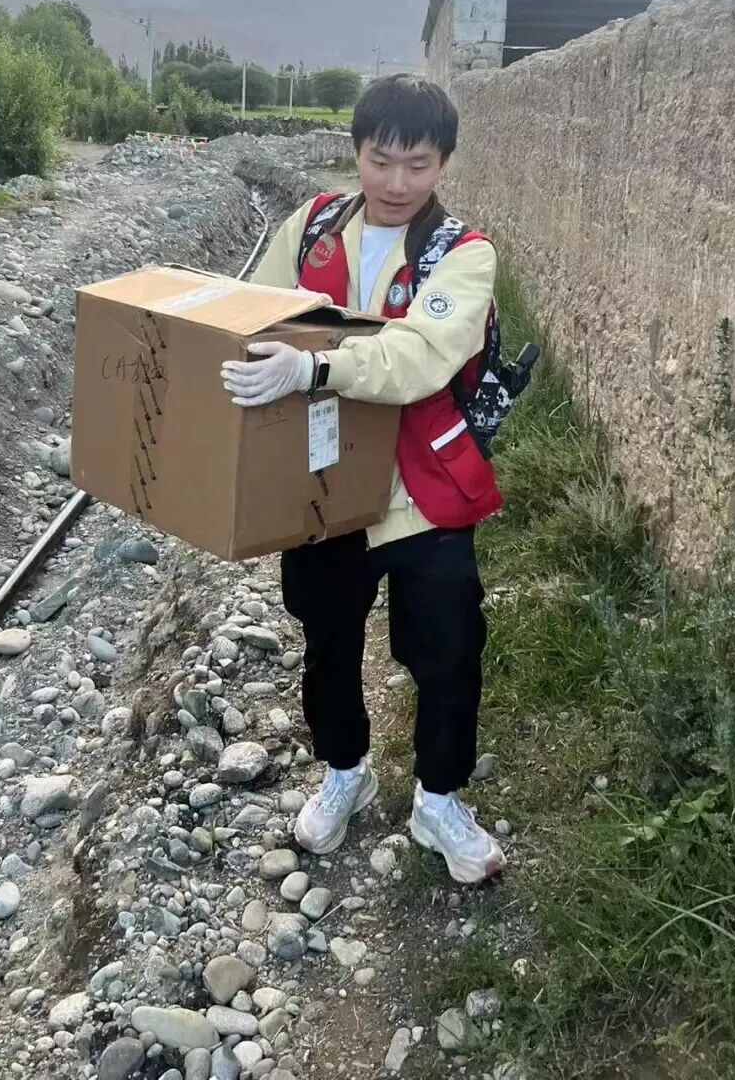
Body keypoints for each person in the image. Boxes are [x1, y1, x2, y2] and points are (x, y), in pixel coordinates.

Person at [221, 75, 505, 884]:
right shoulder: (313, 226)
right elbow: (252, 309)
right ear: (357, 151)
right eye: (382, 160)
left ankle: (439, 800)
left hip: (422, 489)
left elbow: (419, 357)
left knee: (448, 648)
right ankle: (346, 770)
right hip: (323, 488)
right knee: (328, 640)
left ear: (443, 162)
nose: (397, 182)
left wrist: (313, 367)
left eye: (418, 164)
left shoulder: (463, 253)